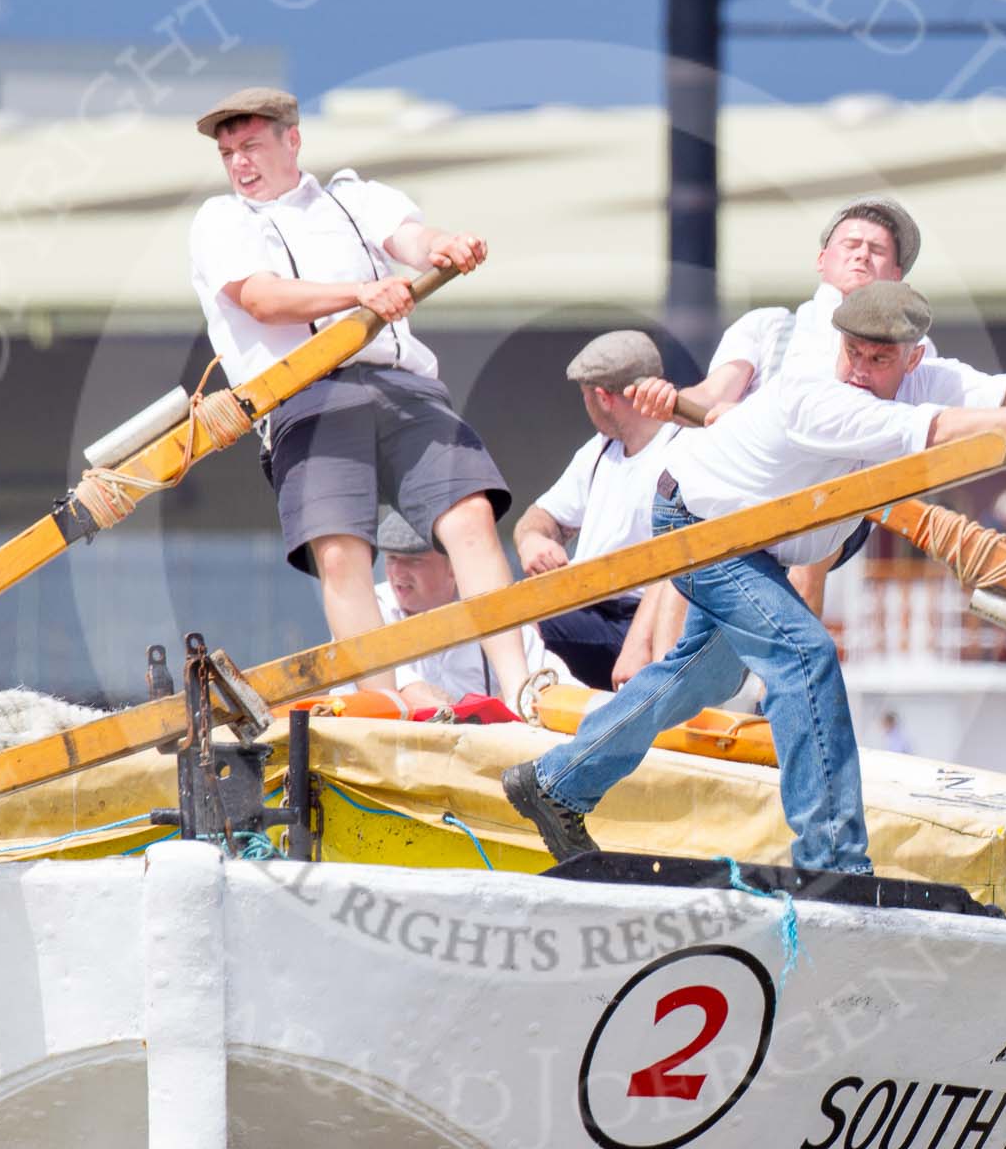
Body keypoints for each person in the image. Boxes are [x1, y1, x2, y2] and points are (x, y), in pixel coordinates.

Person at [500, 281, 1006, 871]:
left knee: (702, 676)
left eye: (880, 360)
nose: (863, 372)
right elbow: (953, 428)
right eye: (855, 354)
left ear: (912, 359)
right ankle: (831, 857)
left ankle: (557, 782)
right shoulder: (821, 393)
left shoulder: (923, 376)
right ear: (838, 343)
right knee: (804, 656)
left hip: (752, 539)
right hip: (702, 524)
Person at [626, 196, 1006, 612]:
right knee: (689, 548)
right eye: (850, 244)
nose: (861, 254)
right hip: (751, 490)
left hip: (829, 505)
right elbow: (714, 396)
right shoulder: (771, 328)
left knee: (814, 516)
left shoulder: (912, 355)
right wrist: (668, 398)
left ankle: (776, 698)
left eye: (877, 251)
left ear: (897, 278)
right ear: (821, 260)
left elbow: (998, 392)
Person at [186, 88, 530, 701]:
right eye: (228, 152)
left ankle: (523, 683)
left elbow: (411, 240)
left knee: (470, 515)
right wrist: (360, 293)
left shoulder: (354, 198)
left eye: (251, 146)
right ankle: (387, 703)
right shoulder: (222, 220)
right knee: (341, 554)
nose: (239, 162)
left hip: (402, 386)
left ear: (292, 140)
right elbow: (262, 299)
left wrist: (444, 245)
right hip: (305, 398)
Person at [513, 331, 685, 690]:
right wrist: (533, 539)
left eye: (585, 397)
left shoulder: (684, 450)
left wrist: (640, 643)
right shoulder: (599, 451)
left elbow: (679, 563)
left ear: (603, 398)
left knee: (512, 625)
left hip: (647, 624)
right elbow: (541, 516)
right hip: (589, 610)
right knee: (507, 612)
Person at [372, 511, 568, 711]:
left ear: (454, 565)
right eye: (392, 558)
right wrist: (407, 688)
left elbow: (554, 678)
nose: (397, 572)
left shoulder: (491, 606)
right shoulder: (373, 612)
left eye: (414, 560)